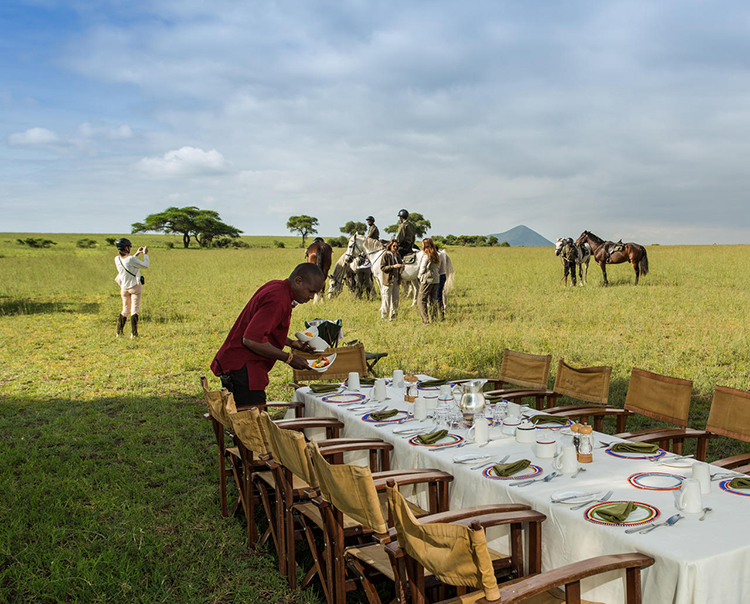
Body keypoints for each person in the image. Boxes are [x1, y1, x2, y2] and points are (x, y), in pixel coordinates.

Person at [210, 263, 324, 408]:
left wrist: (291, 343)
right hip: (244, 368)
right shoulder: (279, 300)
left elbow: (264, 330)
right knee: (254, 424)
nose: (311, 297)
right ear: (298, 281)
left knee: (246, 422)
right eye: (311, 291)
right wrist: (289, 358)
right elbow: (251, 340)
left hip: (242, 366)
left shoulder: (277, 287)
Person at [114, 238, 149, 338]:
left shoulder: (117, 259)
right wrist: (145, 254)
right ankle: (134, 333)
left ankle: (119, 332)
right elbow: (145, 265)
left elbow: (128, 262)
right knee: (134, 309)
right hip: (135, 287)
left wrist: (136, 254)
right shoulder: (131, 259)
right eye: (129, 246)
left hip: (124, 288)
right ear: (126, 248)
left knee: (125, 310)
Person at [417, 238, 440, 325]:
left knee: (421, 299)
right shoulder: (436, 254)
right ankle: (434, 319)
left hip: (427, 278)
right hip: (435, 279)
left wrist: (419, 277)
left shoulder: (426, 256)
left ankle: (425, 320)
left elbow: (422, 268)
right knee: (433, 300)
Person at [379, 240, 403, 320]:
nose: (396, 248)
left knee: (396, 300)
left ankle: (393, 317)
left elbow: (400, 264)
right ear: (390, 246)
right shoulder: (386, 255)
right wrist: (393, 267)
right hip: (388, 281)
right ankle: (384, 318)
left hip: (396, 279)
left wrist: (401, 266)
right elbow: (382, 267)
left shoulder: (397, 255)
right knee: (386, 300)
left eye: (397, 246)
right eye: (394, 246)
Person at [435, 244, 448, 319]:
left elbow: (437, 267)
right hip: (442, 275)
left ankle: (440, 314)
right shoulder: (441, 254)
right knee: (439, 294)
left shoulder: (438, 255)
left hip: (439, 276)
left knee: (438, 296)